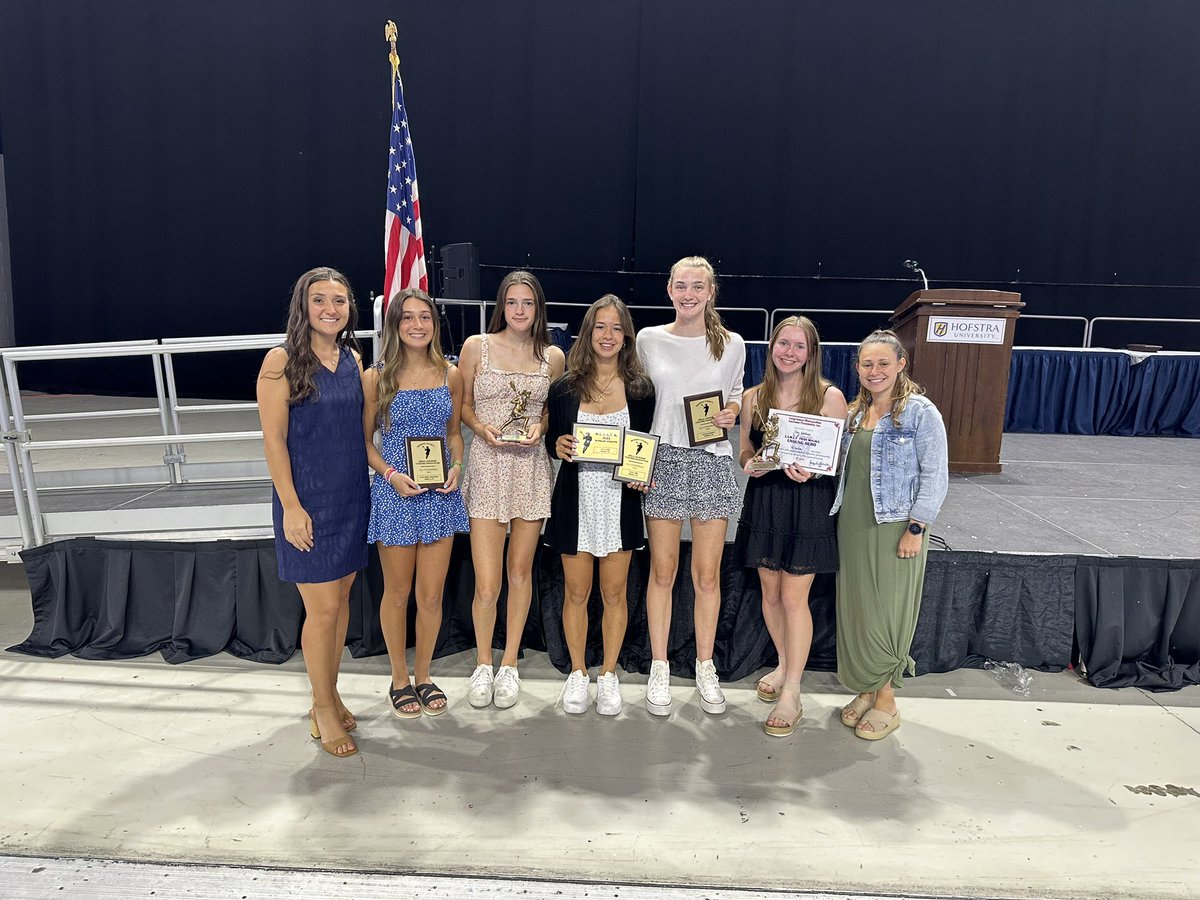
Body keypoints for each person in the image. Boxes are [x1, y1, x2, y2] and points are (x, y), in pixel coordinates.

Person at [257, 267, 368, 758]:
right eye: (319, 300)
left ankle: (331, 692)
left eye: (339, 301)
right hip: (308, 503)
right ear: (303, 305)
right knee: (322, 610)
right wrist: (292, 507)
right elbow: (273, 441)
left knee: (340, 603)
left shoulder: (353, 357)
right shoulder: (280, 362)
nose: (330, 309)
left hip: (351, 498)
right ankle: (321, 707)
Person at [637, 256, 746, 716]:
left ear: (711, 292)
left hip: (712, 460)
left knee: (706, 575)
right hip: (663, 460)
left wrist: (733, 413)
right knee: (662, 572)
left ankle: (705, 665)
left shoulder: (733, 343)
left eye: (697, 286)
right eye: (681, 285)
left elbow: (737, 395)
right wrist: (637, 462)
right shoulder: (647, 339)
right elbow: (635, 399)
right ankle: (659, 665)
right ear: (669, 289)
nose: (688, 294)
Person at [831, 329, 948, 740]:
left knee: (886, 609)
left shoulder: (920, 412)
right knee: (859, 605)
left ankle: (886, 700)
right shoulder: (853, 414)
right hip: (853, 522)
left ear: (901, 365)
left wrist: (916, 527)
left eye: (884, 363)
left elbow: (935, 474)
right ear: (857, 369)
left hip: (896, 524)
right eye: (867, 364)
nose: (875, 371)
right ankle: (868, 689)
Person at [733, 316, 847, 737]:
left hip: (807, 502)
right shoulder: (753, 397)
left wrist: (814, 473)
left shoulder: (830, 397)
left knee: (794, 598)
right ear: (772, 346)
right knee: (771, 593)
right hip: (767, 499)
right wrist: (749, 464)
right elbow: (746, 447)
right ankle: (783, 664)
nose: (790, 352)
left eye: (799, 346)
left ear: (811, 353)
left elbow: (834, 460)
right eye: (784, 343)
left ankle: (793, 691)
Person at [459, 271, 566, 709]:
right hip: (488, 466)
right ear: (501, 306)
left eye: (528, 303)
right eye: (512, 302)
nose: (520, 310)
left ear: (538, 308)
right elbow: (461, 404)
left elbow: (549, 414)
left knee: (520, 573)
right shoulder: (475, 347)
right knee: (487, 583)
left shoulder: (553, 356)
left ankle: (509, 664)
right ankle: (483, 662)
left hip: (530, 469)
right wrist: (481, 429)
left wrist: (539, 428)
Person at [546, 295, 655, 716]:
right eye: (600, 327)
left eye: (616, 328)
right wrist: (556, 444)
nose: (608, 336)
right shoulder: (564, 388)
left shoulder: (641, 390)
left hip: (620, 503)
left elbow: (644, 447)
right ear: (588, 332)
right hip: (576, 502)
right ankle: (577, 672)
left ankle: (608, 675)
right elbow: (552, 441)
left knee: (614, 594)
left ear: (626, 335)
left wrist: (643, 469)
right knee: (576, 592)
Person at [364, 288, 469, 719]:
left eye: (424, 317)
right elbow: (364, 442)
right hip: (396, 495)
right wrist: (390, 474)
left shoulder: (451, 373)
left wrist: (457, 467)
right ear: (395, 325)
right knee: (398, 592)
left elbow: (456, 433)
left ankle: (423, 675)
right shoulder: (377, 377)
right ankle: (398, 678)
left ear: (434, 324)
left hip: (439, 498)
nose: (416, 325)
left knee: (431, 596)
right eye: (407, 318)